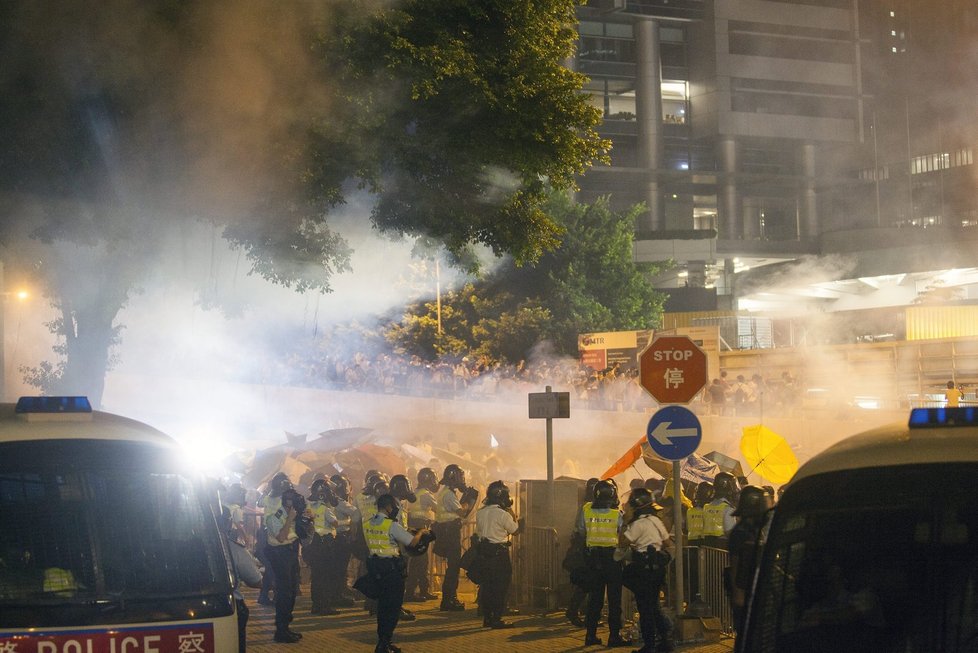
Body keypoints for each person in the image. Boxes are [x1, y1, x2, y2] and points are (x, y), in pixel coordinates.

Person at [364, 493, 431, 653]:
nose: (395, 510)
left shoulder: (367, 523)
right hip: (391, 569)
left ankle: (382, 642)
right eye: (394, 507)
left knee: (382, 607)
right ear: (388, 507)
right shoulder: (391, 525)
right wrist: (421, 532)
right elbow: (411, 541)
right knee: (393, 608)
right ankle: (385, 643)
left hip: (375, 567)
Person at [620, 488, 675, 653]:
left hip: (643, 570)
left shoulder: (637, 525)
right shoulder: (655, 521)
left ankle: (649, 645)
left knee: (645, 608)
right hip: (657, 570)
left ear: (636, 506)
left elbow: (622, 542)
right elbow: (668, 543)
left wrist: (625, 522)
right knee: (654, 605)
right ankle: (666, 640)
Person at [580, 479, 630, 648]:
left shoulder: (586, 509)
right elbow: (623, 536)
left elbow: (580, 529)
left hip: (593, 559)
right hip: (612, 560)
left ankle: (590, 636)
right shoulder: (617, 515)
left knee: (595, 599)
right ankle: (614, 637)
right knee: (614, 601)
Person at [474, 480, 522, 628]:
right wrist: (512, 513)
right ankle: (497, 618)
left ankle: (487, 618)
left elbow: (480, 532)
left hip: (484, 553)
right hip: (499, 554)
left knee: (487, 587)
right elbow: (515, 530)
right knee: (500, 587)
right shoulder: (503, 514)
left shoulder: (481, 512)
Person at [432, 463, 479, 612]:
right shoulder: (449, 494)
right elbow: (462, 512)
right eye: (460, 477)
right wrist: (469, 499)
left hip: (446, 532)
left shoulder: (445, 491)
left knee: (452, 568)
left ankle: (449, 598)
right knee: (453, 568)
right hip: (450, 533)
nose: (462, 480)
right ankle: (448, 600)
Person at [726, 485, 772, 634]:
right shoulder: (742, 533)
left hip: (754, 594)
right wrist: (739, 595)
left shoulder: (753, 531)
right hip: (746, 596)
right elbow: (737, 565)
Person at [264, 483, 306, 643]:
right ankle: (281, 631)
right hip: (281, 555)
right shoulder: (274, 517)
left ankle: (286, 627)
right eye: (293, 501)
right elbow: (281, 537)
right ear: (287, 502)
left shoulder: (294, 515)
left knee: (292, 592)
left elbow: (301, 535)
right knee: (284, 593)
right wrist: (290, 519)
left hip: (291, 553)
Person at [221, 501, 262, 653]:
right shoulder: (235, 549)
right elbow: (255, 580)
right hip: (232, 606)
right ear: (228, 523)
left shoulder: (192, 547)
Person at [565, 477, 599, 627]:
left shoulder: (585, 506)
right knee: (588, 583)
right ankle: (576, 611)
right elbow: (581, 528)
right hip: (589, 549)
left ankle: (584, 612)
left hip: (587, 548)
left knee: (587, 583)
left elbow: (579, 527)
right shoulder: (590, 507)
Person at [305, 478, 339, 616]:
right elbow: (335, 522)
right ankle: (324, 605)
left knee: (316, 576)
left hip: (312, 544)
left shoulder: (307, 506)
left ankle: (316, 605)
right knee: (325, 576)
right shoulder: (325, 508)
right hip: (325, 545)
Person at [404, 467, 439, 602]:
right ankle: (413, 592)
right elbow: (439, 509)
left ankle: (418, 590)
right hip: (421, 529)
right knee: (420, 562)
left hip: (413, 529)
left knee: (417, 562)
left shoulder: (415, 493)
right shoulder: (426, 495)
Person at [257, 472, 290, 606]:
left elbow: (259, 503)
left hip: (266, 533)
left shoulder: (269, 496)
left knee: (271, 567)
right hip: (275, 534)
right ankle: (275, 596)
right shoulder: (283, 499)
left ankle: (264, 595)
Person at [328, 474, 360, 607]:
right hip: (341, 538)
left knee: (334, 569)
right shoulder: (339, 502)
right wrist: (348, 522)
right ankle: (337, 596)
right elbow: (356, 514)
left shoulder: (325, 501)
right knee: (339, 569)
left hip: (330, 538)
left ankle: (337, 592)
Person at [703, 472, 737, 550]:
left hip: (707, 548)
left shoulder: (707, 506)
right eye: (732, 485)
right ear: (726, 486)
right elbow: (730, 533)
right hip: (722, 549)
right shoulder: (728, 509)